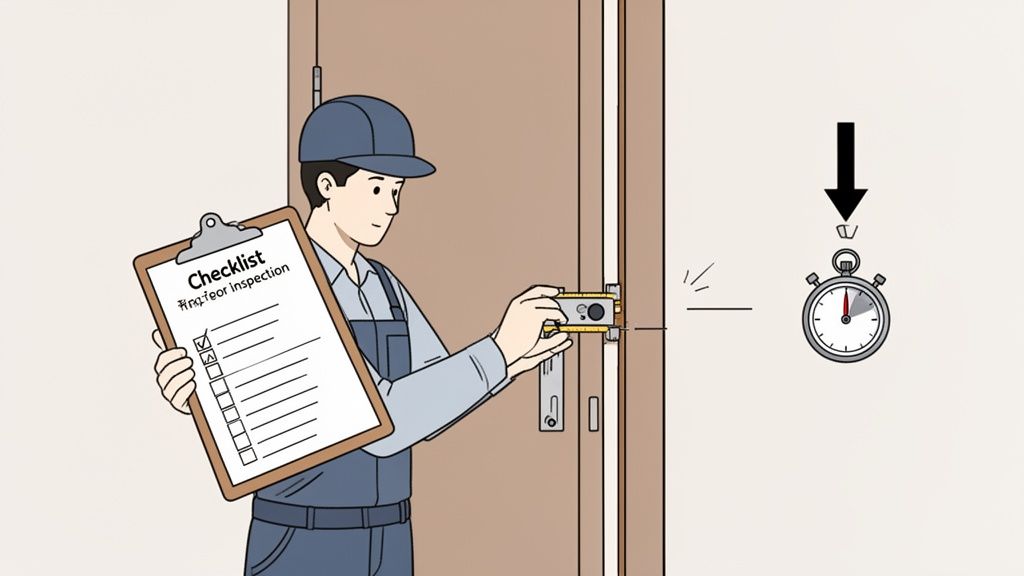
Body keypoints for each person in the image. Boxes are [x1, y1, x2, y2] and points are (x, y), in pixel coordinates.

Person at [151, 95, 572, 576]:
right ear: (327, 186)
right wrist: (498, 350)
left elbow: (431, 404)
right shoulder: (280, 282)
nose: (391, 207)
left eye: (397, 190)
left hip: (390, 533)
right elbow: (385, 422)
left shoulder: (385, 285)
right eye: (376, 188)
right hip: (301, 538)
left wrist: (514, 359)